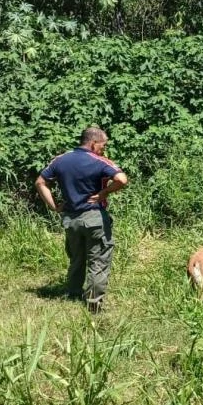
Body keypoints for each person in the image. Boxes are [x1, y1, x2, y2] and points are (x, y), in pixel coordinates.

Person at [35, 127, 128, 312]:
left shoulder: (61, 160)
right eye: (103, 145)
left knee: (76, 258)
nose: (104, 149)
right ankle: (93, 305)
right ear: (93, 143)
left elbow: (40, 182)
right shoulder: (99, 160)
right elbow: (122, 179)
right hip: (94, 218)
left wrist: (54, 206)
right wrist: (104, 192)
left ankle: (73, 294)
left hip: (71, 219)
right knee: (99, 261)